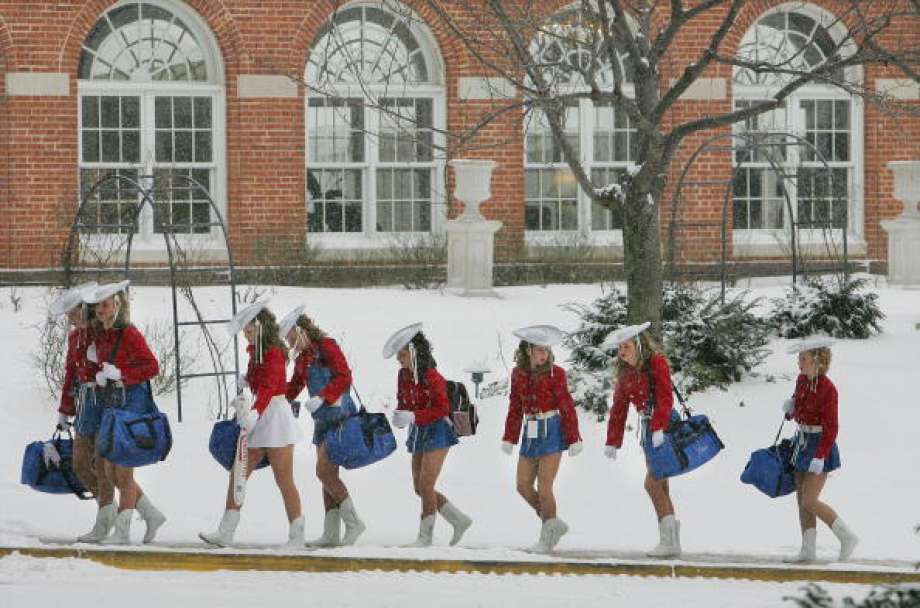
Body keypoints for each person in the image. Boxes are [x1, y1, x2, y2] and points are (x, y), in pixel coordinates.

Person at [201, 302, 305, 548]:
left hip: (275, 419)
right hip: (259, 416)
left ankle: (297, 535)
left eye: (249, 331)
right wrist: (247, 380)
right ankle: (226, 531)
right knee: (239, 472)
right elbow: (261, 383)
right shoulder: (256, 352)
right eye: (244, 332)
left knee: (284, 480)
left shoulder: (273, 352)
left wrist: (255, 412)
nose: (246, 336)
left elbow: (270, 387)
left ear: (260, 327)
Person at [84, 280, 166, 545]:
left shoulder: (129, 333)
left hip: (132, 408)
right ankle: (151, 515)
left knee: (123, 472)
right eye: (98, 305)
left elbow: (152, 367)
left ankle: (122, 531)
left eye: (104, 305)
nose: (99, 309)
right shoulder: (103, 335)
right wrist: (100, 373)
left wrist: (122, 375)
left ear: (117, 306)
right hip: (114, 406)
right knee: (108, 469)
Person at [278, 306, 365, 547]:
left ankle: (355, 523)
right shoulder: (303, 358)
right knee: (328, 476)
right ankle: (331, 534)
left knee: (323, 472)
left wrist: (324, 396)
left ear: (302, 331)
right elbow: (294, 386)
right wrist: (277, 397)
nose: (291, 344)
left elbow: (345, 377)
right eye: (288, 340)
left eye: (292, 338)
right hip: (322, 421)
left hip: (339, 416)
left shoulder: (326, 346)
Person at [383, 323, 473, 547]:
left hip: (439, 431)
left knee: (426, 485)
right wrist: (401, 414)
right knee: (419, 487)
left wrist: (413, 416)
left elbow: (441, 408)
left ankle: (425, 537)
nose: (399, 360)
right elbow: (404, 402)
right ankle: (458, 520)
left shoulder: (432, 376)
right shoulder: (403, 375)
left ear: (413, 353)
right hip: (419, 431)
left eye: (402, 355)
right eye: (398, 356)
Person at [45, 281, 118, 542]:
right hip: (85, 403)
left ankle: (104, 520)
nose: (70, 318)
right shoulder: (75, 337)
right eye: (68, 313)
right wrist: (65, 411)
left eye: (74, 312)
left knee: (103, 463)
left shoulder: (101, 332)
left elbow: (116, 363)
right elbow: (70, 375)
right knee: (80, 464)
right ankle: (113, 511)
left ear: (85, 310)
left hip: (105, 400)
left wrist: (103, 368)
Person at [603, 322, 683, 558]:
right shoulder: (625, 374)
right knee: (661, 483)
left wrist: (659, 427)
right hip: (649, 427)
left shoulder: (656, 363)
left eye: (626, 346)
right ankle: (671, 540)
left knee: (652, 483)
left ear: (638, 345)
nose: (622, 351)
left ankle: (669, 541)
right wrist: (612, 441)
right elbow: (618, 409)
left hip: (664, 422)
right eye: (619, 348)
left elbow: (665, 397)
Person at [501, 325, 582, 553]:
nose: (543, 355)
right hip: (530, 430)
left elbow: (566, 406)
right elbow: (515, 407)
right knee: (523, 485)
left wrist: (574, 437)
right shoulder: (518, 374)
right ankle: (553, 522)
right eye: (539, 350)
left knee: (544, 486)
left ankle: (547, 536)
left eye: (546, 350)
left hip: (552, 429)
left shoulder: (557, 373)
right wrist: (509, 437)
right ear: (527, 351)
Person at [782, 337, 858, 563]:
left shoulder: (828, 389)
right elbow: (798, 410)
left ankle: (847, 537)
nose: (799, 363)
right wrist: (790, 410)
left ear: (816, 360)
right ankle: (807, 550)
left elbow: (831, 427)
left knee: (810, 500)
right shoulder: (802, 381)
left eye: (802, 359)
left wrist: (820, 455)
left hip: (819, 445)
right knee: (801, 500)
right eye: (799, 359)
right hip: (801, 442)